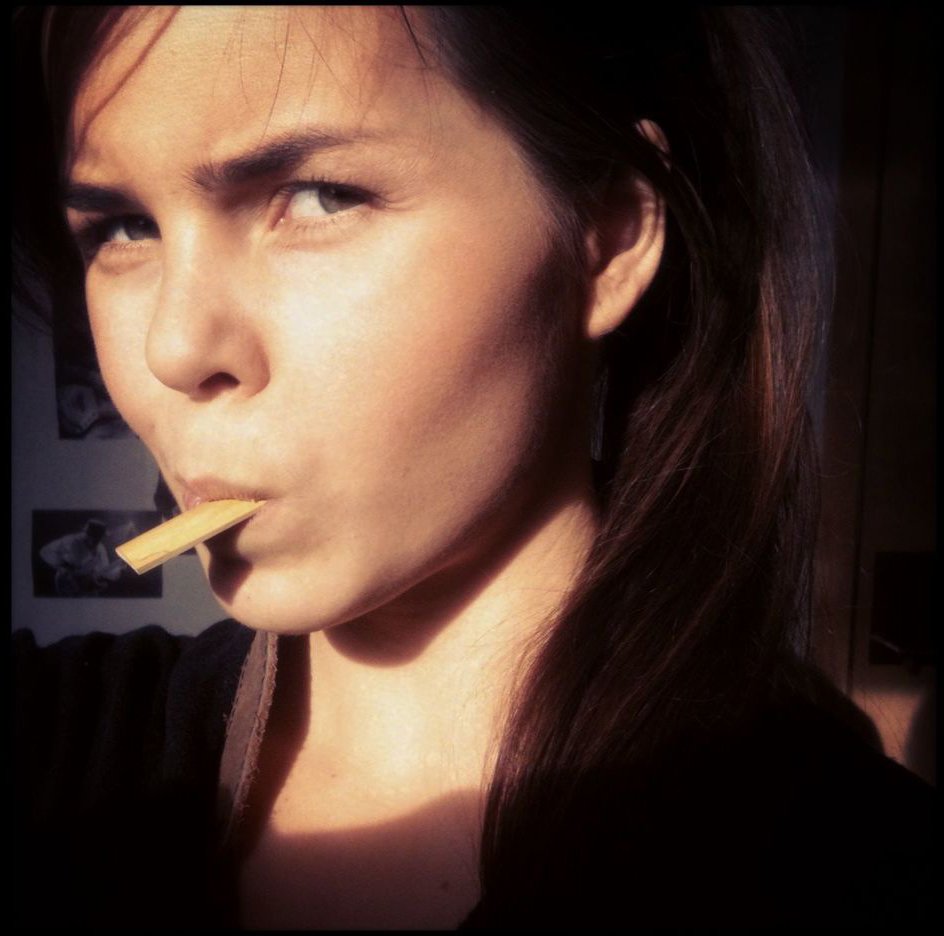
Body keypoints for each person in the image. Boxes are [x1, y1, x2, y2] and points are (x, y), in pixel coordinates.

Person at [12, 6, 937, 929]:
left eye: (321, 197)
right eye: (123, 228)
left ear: (608, 234)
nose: (172, 349)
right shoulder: (62, 750)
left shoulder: (843, 871)